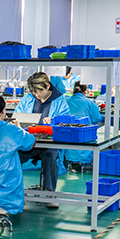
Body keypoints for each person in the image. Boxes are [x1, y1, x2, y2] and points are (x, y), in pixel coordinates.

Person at [14, 72, 70, 208]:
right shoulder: (28, 99)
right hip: (29, 143)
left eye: (39, 91)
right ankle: (16, 192)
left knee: (50, 156)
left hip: (49, 144)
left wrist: (54, 121)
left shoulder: (60, 101)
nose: (36, 95)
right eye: (33, 92)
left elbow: (66, 124)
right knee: (13, 156)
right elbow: (16, 117)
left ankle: (50, 193)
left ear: (47, 86)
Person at [64, 83, 104, 172]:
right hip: (86, 135)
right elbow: (97, 118)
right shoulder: (89, 102)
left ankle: (70, 159)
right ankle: (85, 161)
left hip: (68, 135)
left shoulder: (66, 101)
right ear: (85, 91)